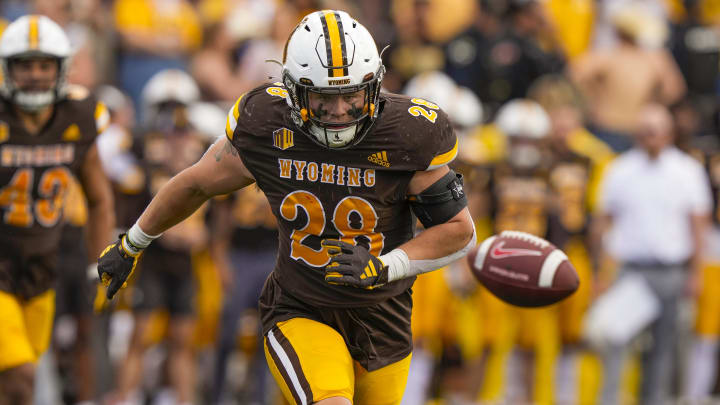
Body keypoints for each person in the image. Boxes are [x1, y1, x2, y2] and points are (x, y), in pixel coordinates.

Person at [98, 9, 475, 405]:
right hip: (301, 309)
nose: (340, 109)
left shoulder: (408, 134)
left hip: (384, 320)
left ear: (375, 85)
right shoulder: (267, 124)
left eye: (352, 93)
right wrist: (133, 243)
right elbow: (195, 184)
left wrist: (385, 266)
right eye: (324, 97)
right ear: (293, 90)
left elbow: (459, 231)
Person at [0, 15, 114, 405]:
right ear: (7, 70)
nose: (34, 74)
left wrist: (98, 265)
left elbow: (99, 199)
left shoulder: (78, 117)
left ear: (61, 69)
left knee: (17, 384)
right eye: (24, 65)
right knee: (20, 378)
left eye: (44, 65)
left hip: (40, 271)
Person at [595, 103, 711, 404]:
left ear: (669, 133)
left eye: (656, 132)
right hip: (631, 271)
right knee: (616, 341)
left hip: (672, 271)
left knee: (666, 348)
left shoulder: (688, 170)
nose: (651, 138)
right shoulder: (619, 169)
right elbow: (602, 222)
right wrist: (602, 271)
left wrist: (696, 273)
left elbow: (698, 225)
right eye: (645, 132)